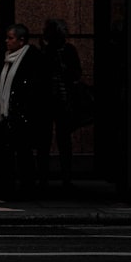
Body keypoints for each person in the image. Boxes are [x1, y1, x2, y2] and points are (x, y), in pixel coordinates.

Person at [0, 23, 54, 200]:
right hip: (5, 116)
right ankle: (6, 188)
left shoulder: (32, 59)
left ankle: (25, 189)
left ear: (21, 41)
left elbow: (35, 90)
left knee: (23, 155)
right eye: (7, 37)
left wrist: (24, 112)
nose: (7, 41)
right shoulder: (8, 59)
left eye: (10, 38)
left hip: (22, 117)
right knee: (4, 155)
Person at [39, 18, 83, 191]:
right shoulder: (49, 51)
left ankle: (62, 177)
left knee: (59, 141)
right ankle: (48, 177)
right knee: (49, 140)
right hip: (54, 100)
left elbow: (75, 73)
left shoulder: (64, 51)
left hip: (60, 100)